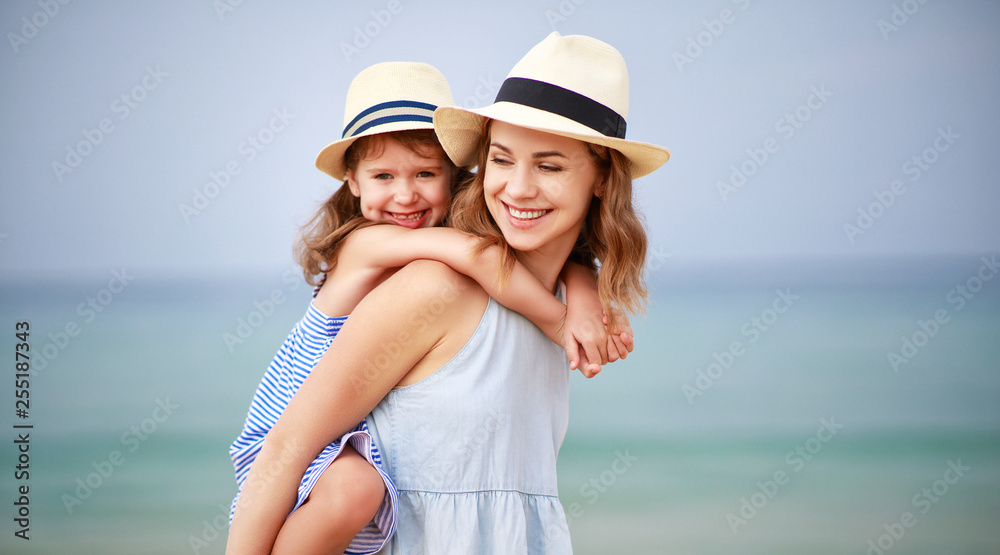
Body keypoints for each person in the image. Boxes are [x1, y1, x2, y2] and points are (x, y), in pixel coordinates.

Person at [226, 59, 632, 554]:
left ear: (455, 176)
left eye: (425, 173)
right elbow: (482, 257)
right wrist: (561, 319)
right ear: (352, 180)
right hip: (288, 434)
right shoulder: (374, 249)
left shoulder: (443, 259)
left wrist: (583, 288)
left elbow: (535, 259)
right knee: (352, 492)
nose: (404, 195)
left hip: (346, 448)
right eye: (383, 176)